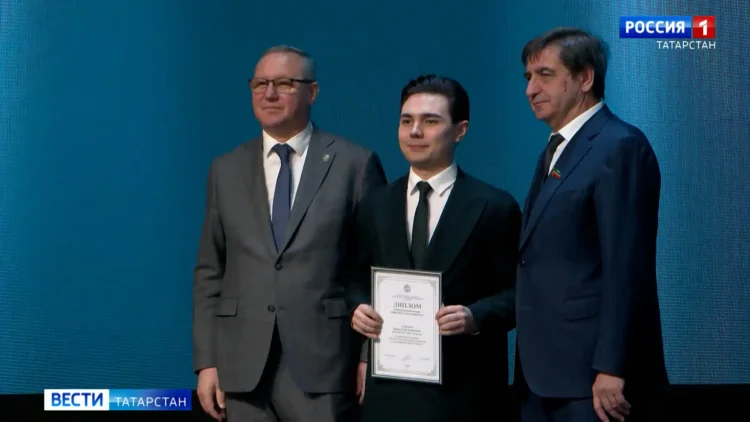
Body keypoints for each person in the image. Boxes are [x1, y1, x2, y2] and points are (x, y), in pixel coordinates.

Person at [192, 45, 387, 422]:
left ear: (312, 92)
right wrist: (208, 362)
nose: (269, 94)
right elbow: (210, 271)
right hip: (241, 367)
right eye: (260, 84)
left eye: (283, 83)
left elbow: (377, 266)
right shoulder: (225, 169)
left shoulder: (355, 164)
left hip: (326, 365)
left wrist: (370, 355)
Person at [514, 27, 669, 422]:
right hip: (544, 374)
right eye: (528, 77)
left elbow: (626, 265)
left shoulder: (618, 145)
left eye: (545, 75)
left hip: (593, 380)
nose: (531, 89)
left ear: (585, 78)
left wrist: (612, 365)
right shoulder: (557, 148)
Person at [347, 74, 521, 422]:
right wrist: (358, 307)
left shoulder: (494, 206)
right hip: (389, 394)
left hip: (465, 395)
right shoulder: (374, 205)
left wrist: (475, 317)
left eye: (430, 121)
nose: (415, 132)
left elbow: (520, 295)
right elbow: (352, 279)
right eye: (406, 121)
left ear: (460, 130)